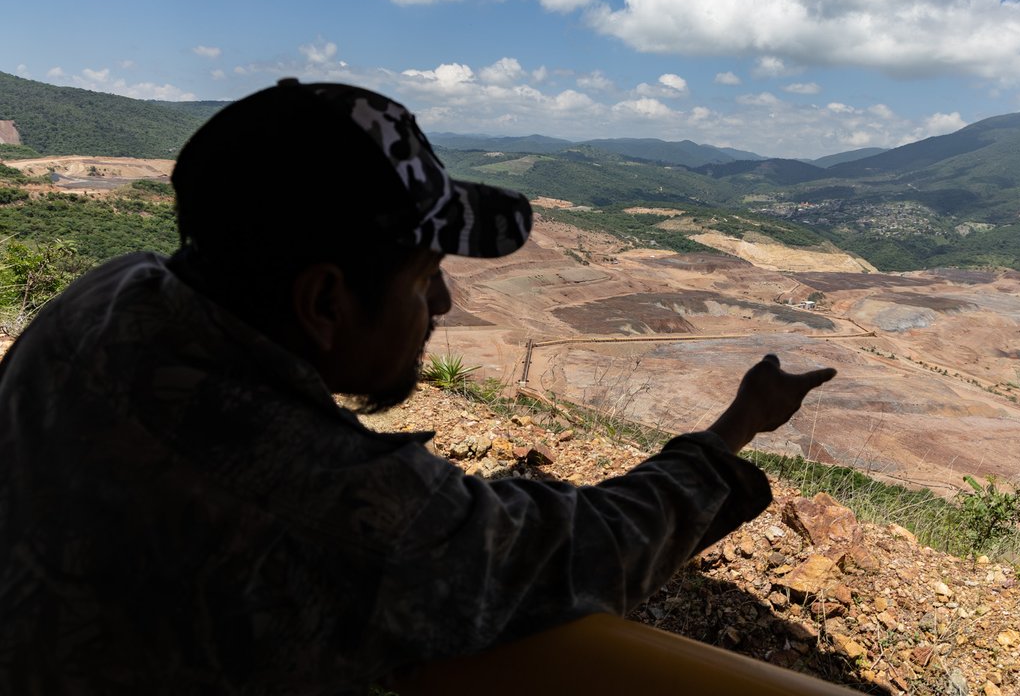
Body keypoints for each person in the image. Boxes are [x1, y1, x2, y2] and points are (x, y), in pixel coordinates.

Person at [0, 79, 837, 694]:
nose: (441, 303)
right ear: (325, 301)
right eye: (424, 278)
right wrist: (737, 427)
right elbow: (585, 549)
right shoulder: (334, 500)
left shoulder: (106, 298)